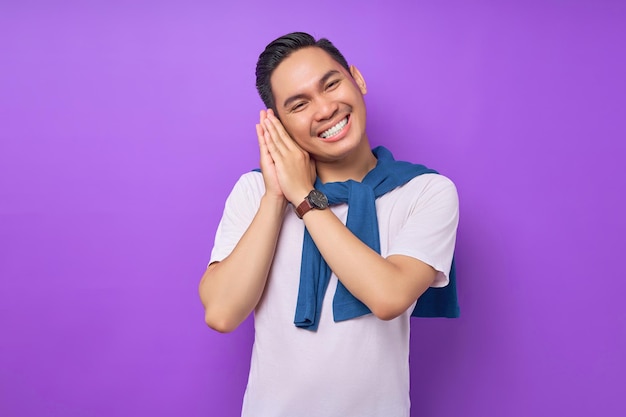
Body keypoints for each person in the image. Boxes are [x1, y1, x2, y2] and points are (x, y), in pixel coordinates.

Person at [198, 32, 459, 417]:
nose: (325, 109)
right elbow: (221, 313)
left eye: (332, 84)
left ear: (358, 79)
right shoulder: (256, 191)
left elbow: (388, 297)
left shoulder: (424, 192)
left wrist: (304, 197)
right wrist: (276, 196)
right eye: (300, 104)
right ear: (279, 125)